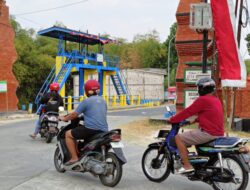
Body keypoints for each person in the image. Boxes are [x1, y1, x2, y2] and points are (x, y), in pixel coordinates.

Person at [167, 77, 224, 174]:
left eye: (199, 87)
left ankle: (187, 165)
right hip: (218, 132)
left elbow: (187, 112)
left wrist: (172, 120)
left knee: (178, 138)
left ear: (202, 88)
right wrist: (193, 121)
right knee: (189, 136)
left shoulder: (203, 100)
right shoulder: (215, 100)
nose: (198, 89)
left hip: (208, 133)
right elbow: (210, 115)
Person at [59, 79, 108, 165]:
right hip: (104, 130)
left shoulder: (86, 101)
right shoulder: (103, 101)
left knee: (68, 134)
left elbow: (74, 115)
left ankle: (74, 158)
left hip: (91, 130)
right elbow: (96, 114)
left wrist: (64, 118)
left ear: (87, 90)